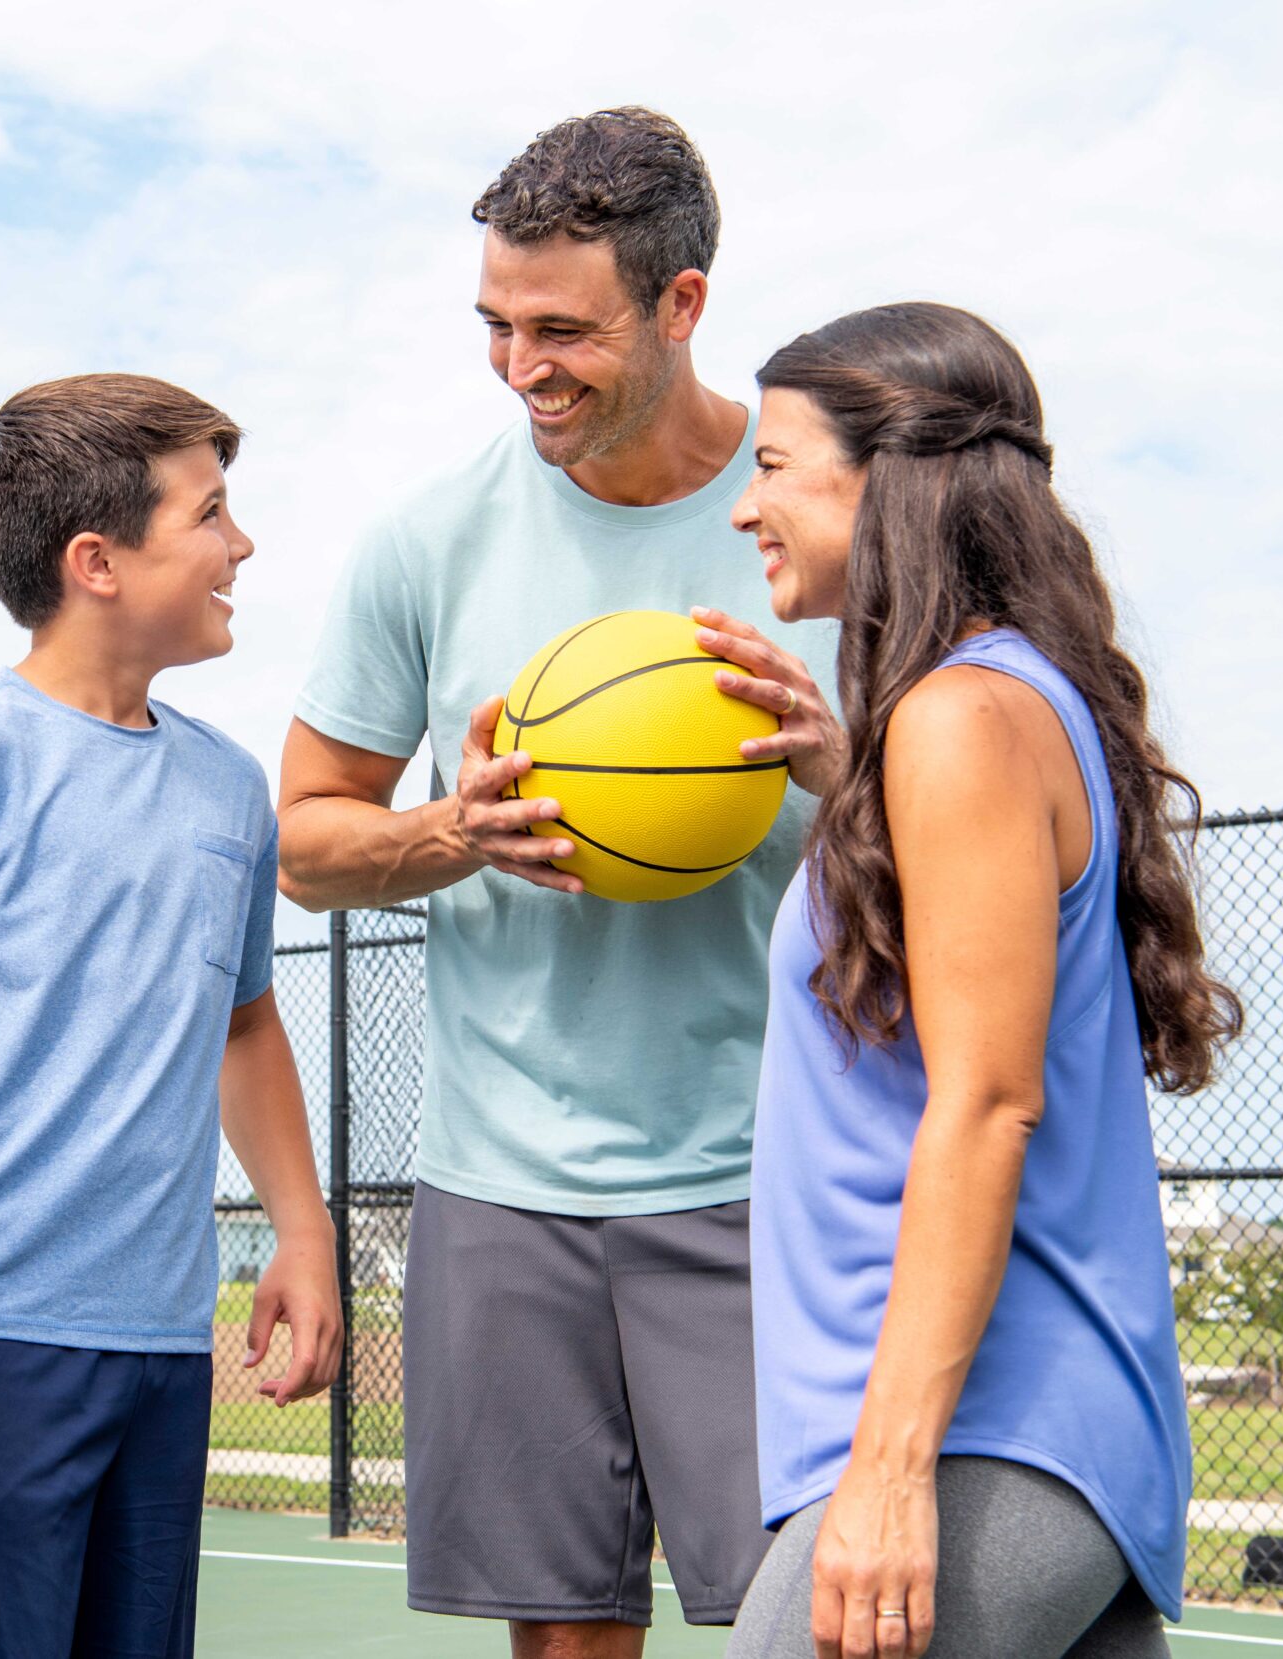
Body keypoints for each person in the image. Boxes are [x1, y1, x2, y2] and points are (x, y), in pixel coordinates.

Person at [279, 108, 841, 1653]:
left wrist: (837, 761)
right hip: (502, 1179)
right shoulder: (427, 540)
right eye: (497, 326)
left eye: (563, 330)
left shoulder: (821, 529)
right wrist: (456, 829)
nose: (523, 364)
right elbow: (307, 834)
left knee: (793, 1625)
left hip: (767, 1173)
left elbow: (961, 832)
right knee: (561, 1639)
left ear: (683, 303)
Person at [0, 373, 342, 1659]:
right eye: (211, 513)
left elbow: (244, 1023)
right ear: (96, 560)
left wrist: (302, 1234)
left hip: (159, 1341)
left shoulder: (226, 785)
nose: (240, 545)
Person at [716, 302, 1243, 1659]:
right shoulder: (991, 709)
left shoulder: (960, 717)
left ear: (885, 476)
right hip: (1039, 1439)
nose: (744, 506)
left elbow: (988, 1100)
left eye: (773, 465)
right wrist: (854, 780)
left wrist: (889, 1469)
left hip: (978, 1438)